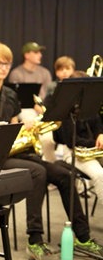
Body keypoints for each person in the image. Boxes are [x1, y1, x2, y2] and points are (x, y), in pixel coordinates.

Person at [0, 41, 103, 260]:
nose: (4, 67)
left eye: (7, 63)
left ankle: (82, 237)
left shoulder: (10, 95)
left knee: (65, 174)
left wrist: (26, 128)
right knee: (37, 172)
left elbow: (14, 129)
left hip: (13, 153)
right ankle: (35, 240)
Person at [49, 70, 103, 205]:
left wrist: (101, 135)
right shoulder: (65, 110)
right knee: (100, 175)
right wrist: (95, 144)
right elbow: (72, 141)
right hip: (74, 152)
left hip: (92, 149)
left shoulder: (90, 106)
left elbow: (98, 125)